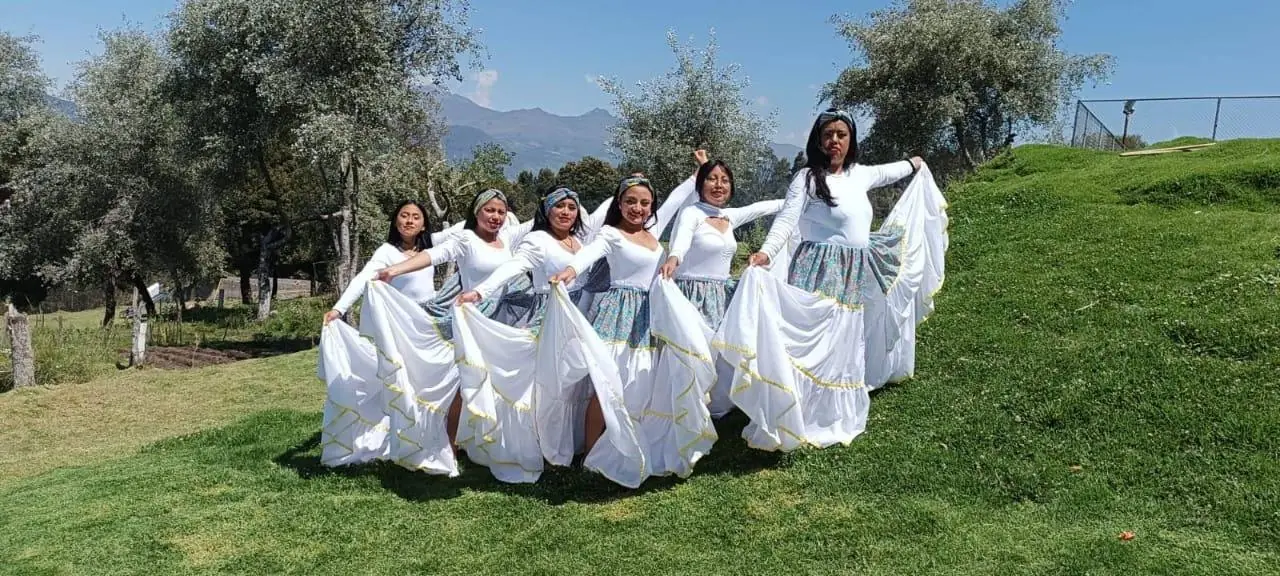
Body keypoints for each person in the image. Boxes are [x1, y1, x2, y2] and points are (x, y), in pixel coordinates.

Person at [716, 107, 947, 451]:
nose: (834, 141)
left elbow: (891, 171)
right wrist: (766, 252)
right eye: (828, 135)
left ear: (851, 140)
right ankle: (797, 412)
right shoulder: (807, 178)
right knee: (816, 338)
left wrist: (915, 163)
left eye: (841, 135)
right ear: (818, 140)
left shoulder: (861, 175)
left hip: (852, 269)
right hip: (819, 267)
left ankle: (830, 413)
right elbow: (786, 219)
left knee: (843, 339)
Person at [547, 162, 713, 483]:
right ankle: (590, 456)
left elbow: (674, 202)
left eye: (644, 203)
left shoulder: (653, 234)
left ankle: (628, 444)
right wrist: (569, 272)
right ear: (619, 204)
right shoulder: (611, 234)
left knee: (639, 384)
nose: (638, 208)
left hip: (647, 316)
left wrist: (697, 176)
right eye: (631, 201)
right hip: (618, 314)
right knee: (606, 385)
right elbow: (588, 254)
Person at [658, 159, 785, 418]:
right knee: (697, 353)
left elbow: (763, 208)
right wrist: (674, 257)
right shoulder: (692, 213)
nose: (718, 185)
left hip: (723, 295)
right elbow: (681, 240)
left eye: (724, 180)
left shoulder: (729, 216)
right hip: (694, 295)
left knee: (722, 353)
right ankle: (688, 408)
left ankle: (717, 407)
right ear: (700, 184)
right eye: (712, 179)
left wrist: (806, 198)